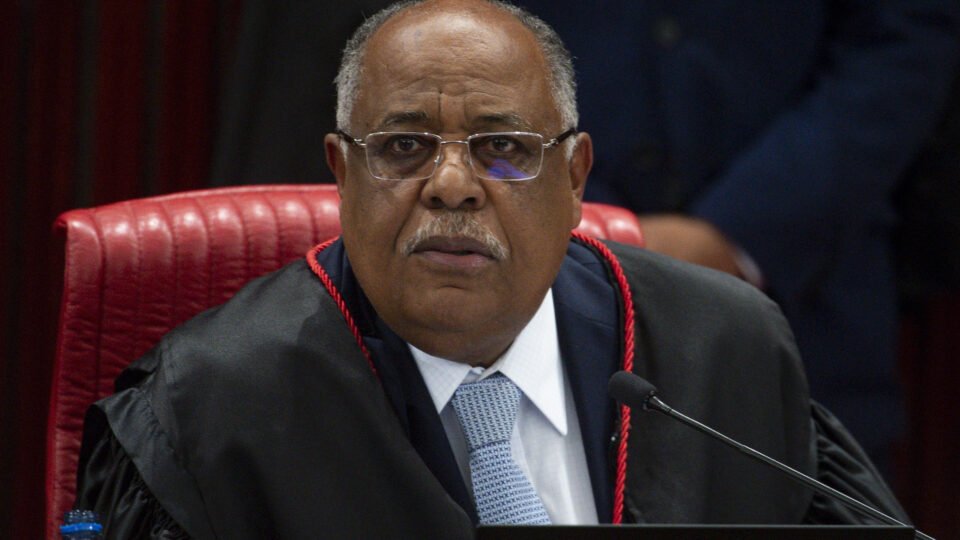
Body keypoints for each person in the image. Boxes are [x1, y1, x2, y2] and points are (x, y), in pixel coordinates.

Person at [74, 1, 906, 537]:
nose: (452, 185)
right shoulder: (207, 413)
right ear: (342, 172)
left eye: (504, 148)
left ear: (575, 179)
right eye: (403, 147)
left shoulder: (724, 359)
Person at [515, 0, 960, 473]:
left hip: (808, 309)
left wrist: (739, 229)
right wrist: (575, 213)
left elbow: (901, 43)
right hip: (542, 301)